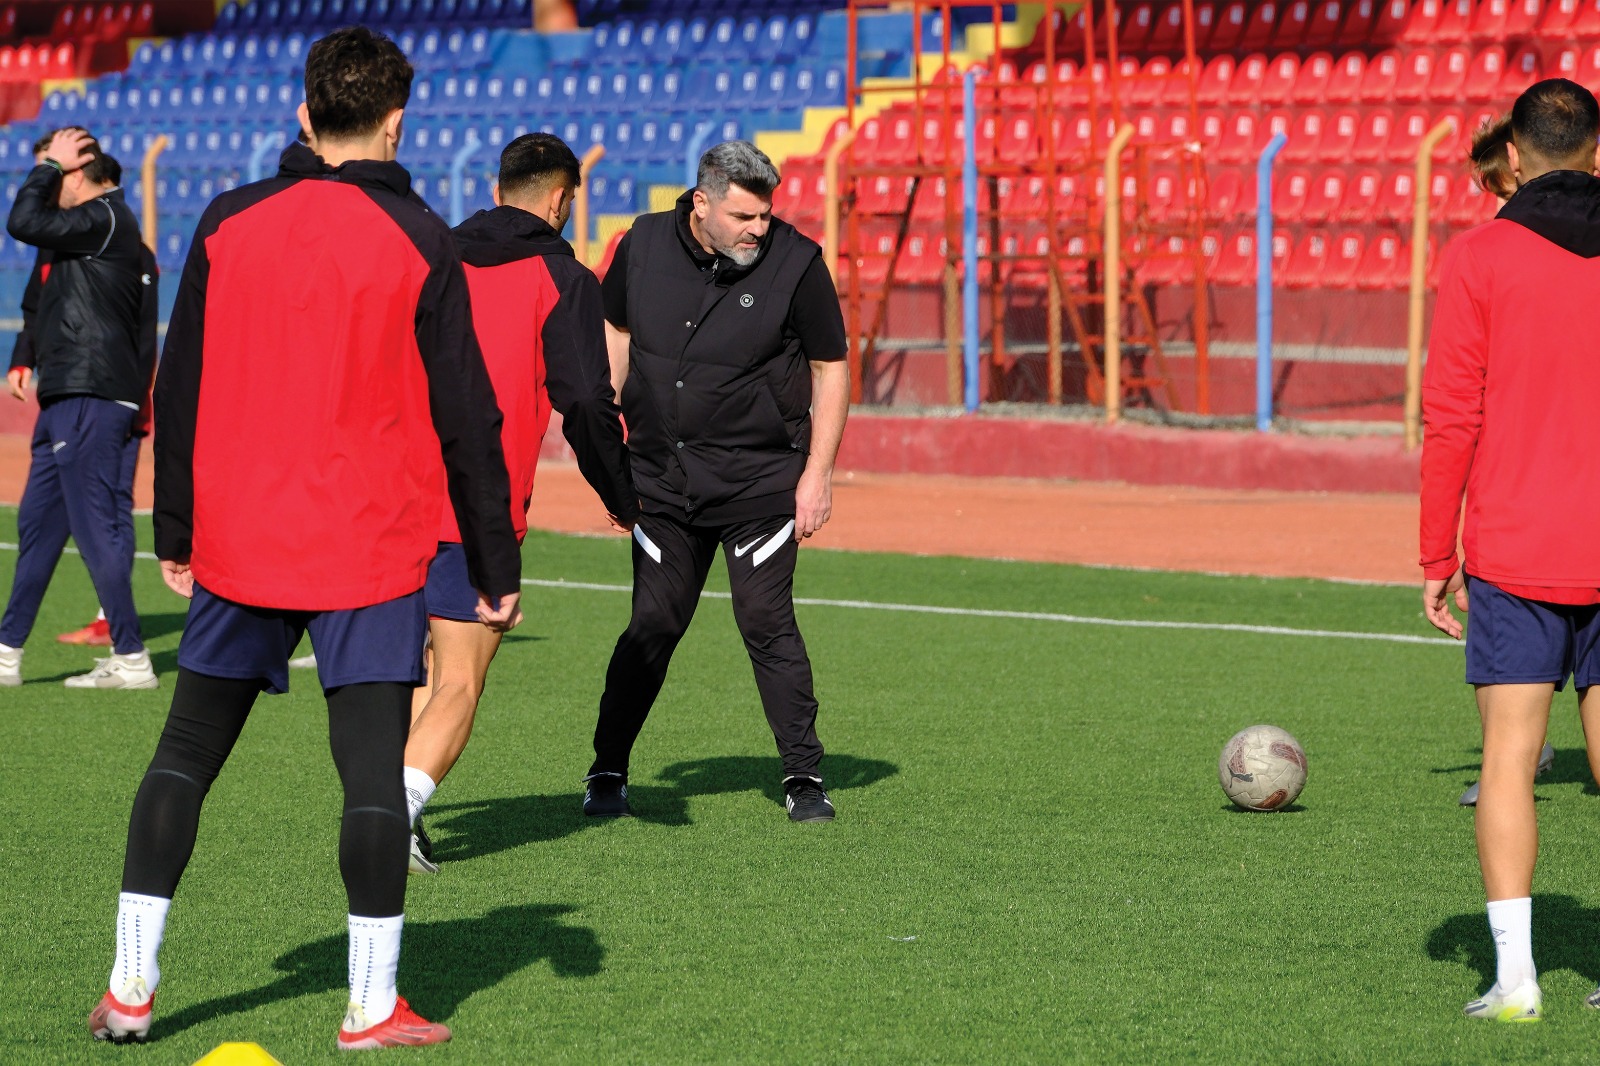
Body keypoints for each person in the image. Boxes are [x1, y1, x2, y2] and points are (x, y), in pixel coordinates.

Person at [86, 27, 521, 1050]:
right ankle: (371, 1007)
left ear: (302, 112)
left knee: (184, 756)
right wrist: (494, 568)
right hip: (368, 548)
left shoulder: (227, 221)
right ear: (397, 120)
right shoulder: (422, 236)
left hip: (242, 534)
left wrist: (179, 525)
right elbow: (470, 418)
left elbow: (178, 381)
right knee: (370, 775)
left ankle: (128, 990)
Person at [583, 140, 849, 824]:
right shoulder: (640, 245)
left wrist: (817, 476)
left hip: (761, 485)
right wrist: (608, 447)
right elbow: (614, 329)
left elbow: (831, 368)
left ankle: (803, 777)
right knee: (654, 623)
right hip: (662, 485)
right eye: (743, 216)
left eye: (765, 214)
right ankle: (608, 768)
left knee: (766, 621)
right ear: (700, 204)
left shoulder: (797, 263)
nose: (758, 229)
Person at [402, 132, 636, 874]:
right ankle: (389, 817)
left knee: (413, 672)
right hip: (471, 512)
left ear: (500, 185)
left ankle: (388, 812)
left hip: (386, 496)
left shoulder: (428, 252)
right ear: (562, 198)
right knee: (460, 680)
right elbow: (587, 405)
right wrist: (621, 494)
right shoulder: (560, 276)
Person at [1422, 77, 1600, 1023]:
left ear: (1517, 160)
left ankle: (1518, 981)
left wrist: (1430, 553)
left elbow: (1452, 417)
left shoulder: (1479, 257)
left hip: (1515, 546)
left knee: (1508, 758)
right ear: (1599, 154)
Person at [0, 129, 154, 688]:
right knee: (39, 528)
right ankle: (6, 652)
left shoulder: (106, 218)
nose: (47, 180)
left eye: (56, 170)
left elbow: (22, 220)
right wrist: (25, 357)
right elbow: (39, 299)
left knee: (95, 530)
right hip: (66, 393)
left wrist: (47, 167)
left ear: (78, 171)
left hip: (92, 394)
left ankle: (132, 658)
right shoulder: (84, 230)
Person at [1453, 110, 1556, 807]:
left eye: (1501, 189)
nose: (1498, 207)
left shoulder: (1502, 258)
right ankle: (1512, 756)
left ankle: (1509, 764)